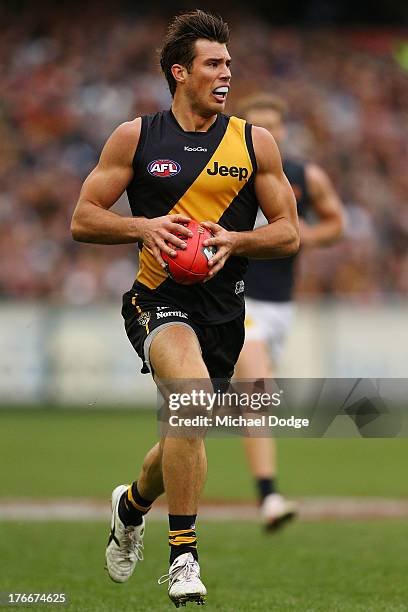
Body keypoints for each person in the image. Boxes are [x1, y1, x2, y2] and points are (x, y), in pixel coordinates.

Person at [71, 12, 299, 608]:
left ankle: (131, 505)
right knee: (192, 401)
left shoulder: (254, 142)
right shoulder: (136, 138)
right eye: (213, 64)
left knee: (185, 425)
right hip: (157, 300)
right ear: (180, 72)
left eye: (228, 63)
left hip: (225, 312)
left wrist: (235, 240)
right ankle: (184, 558)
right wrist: (142, 227)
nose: (227, 73)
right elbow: (82, 218)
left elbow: (289, 233)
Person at [234, 93, 345, 530]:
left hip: (281, 307)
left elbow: (337, 222)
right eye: (255, 126)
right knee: (257, 394)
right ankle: (269, 495)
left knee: (246, 402)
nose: (265, 133)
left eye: (272, 126)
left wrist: (299, 236)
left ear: (282, 131)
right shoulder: (223, 173)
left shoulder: (302, 175)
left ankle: (137, 495)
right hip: (240, 302)